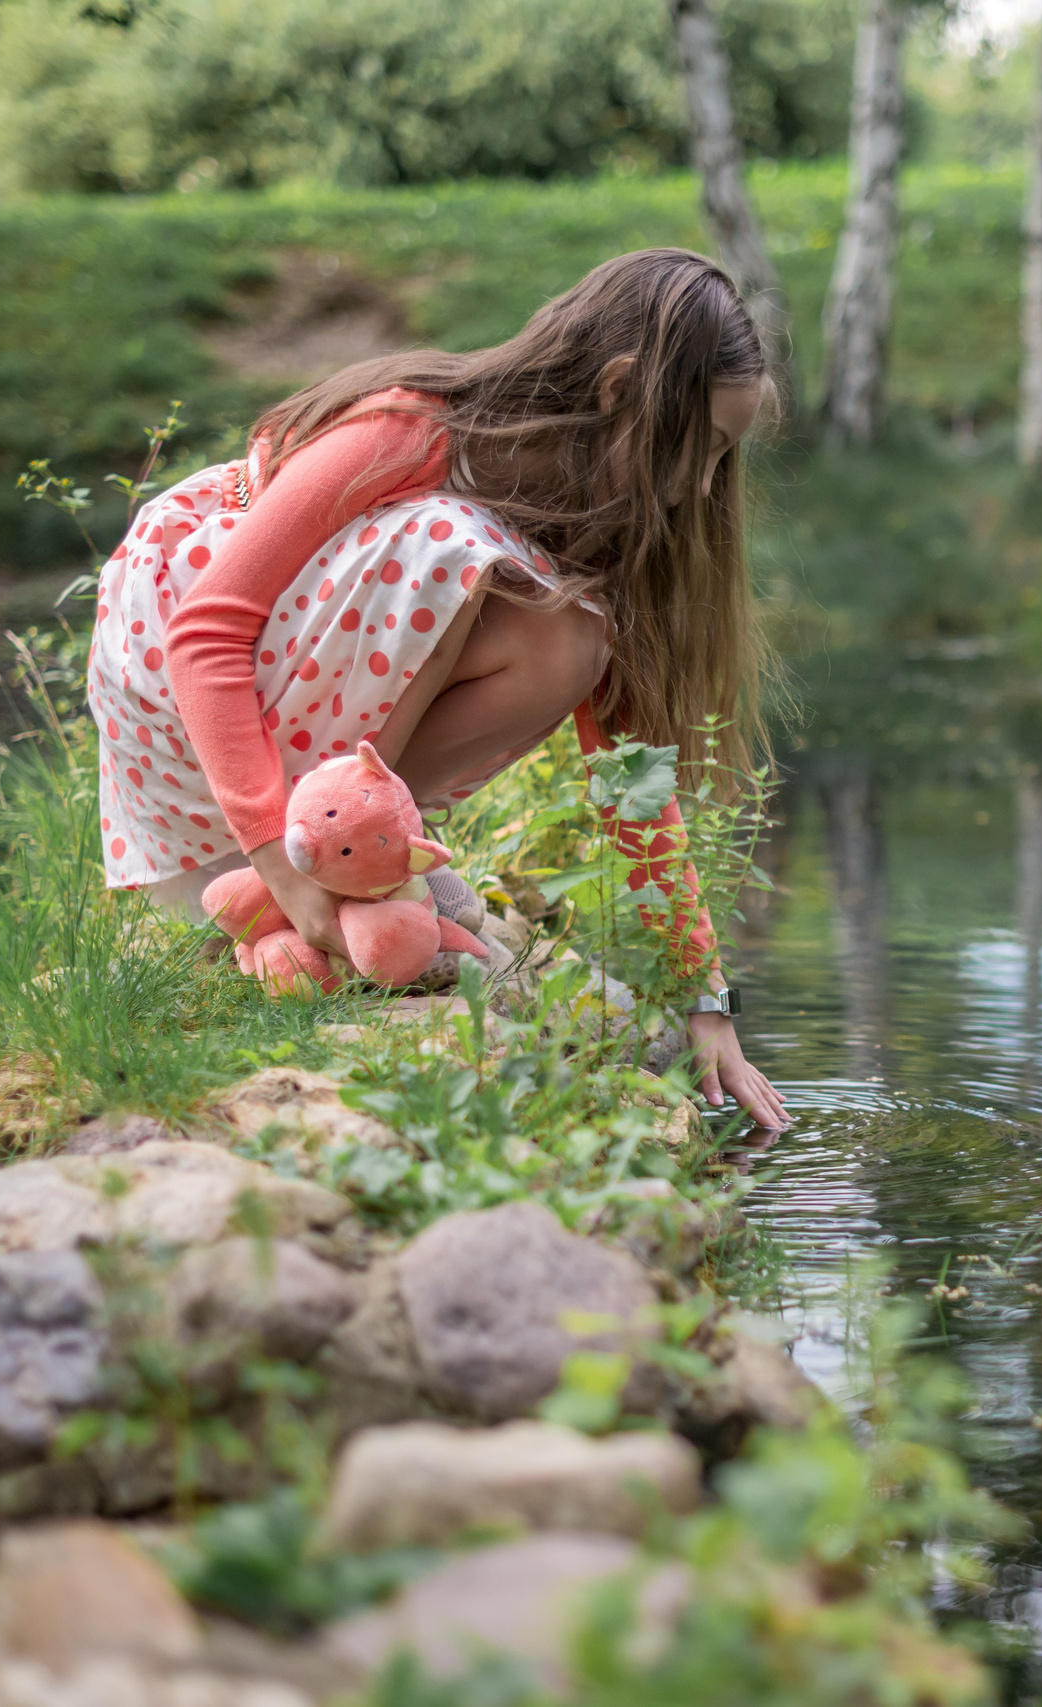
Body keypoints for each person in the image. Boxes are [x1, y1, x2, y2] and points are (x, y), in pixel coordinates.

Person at [89, 247, 787, 1129]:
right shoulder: (414, 432)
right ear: (617, 394)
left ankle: (363, 863)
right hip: (187, 693)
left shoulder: (599, 512)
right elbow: (207, 632)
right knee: (451, 541)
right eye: (702, 450)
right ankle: (306, 877)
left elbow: (632, 773)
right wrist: (276, 855)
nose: (700, 487)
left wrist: (702, 997)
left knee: (574, 636)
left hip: (284, 730)